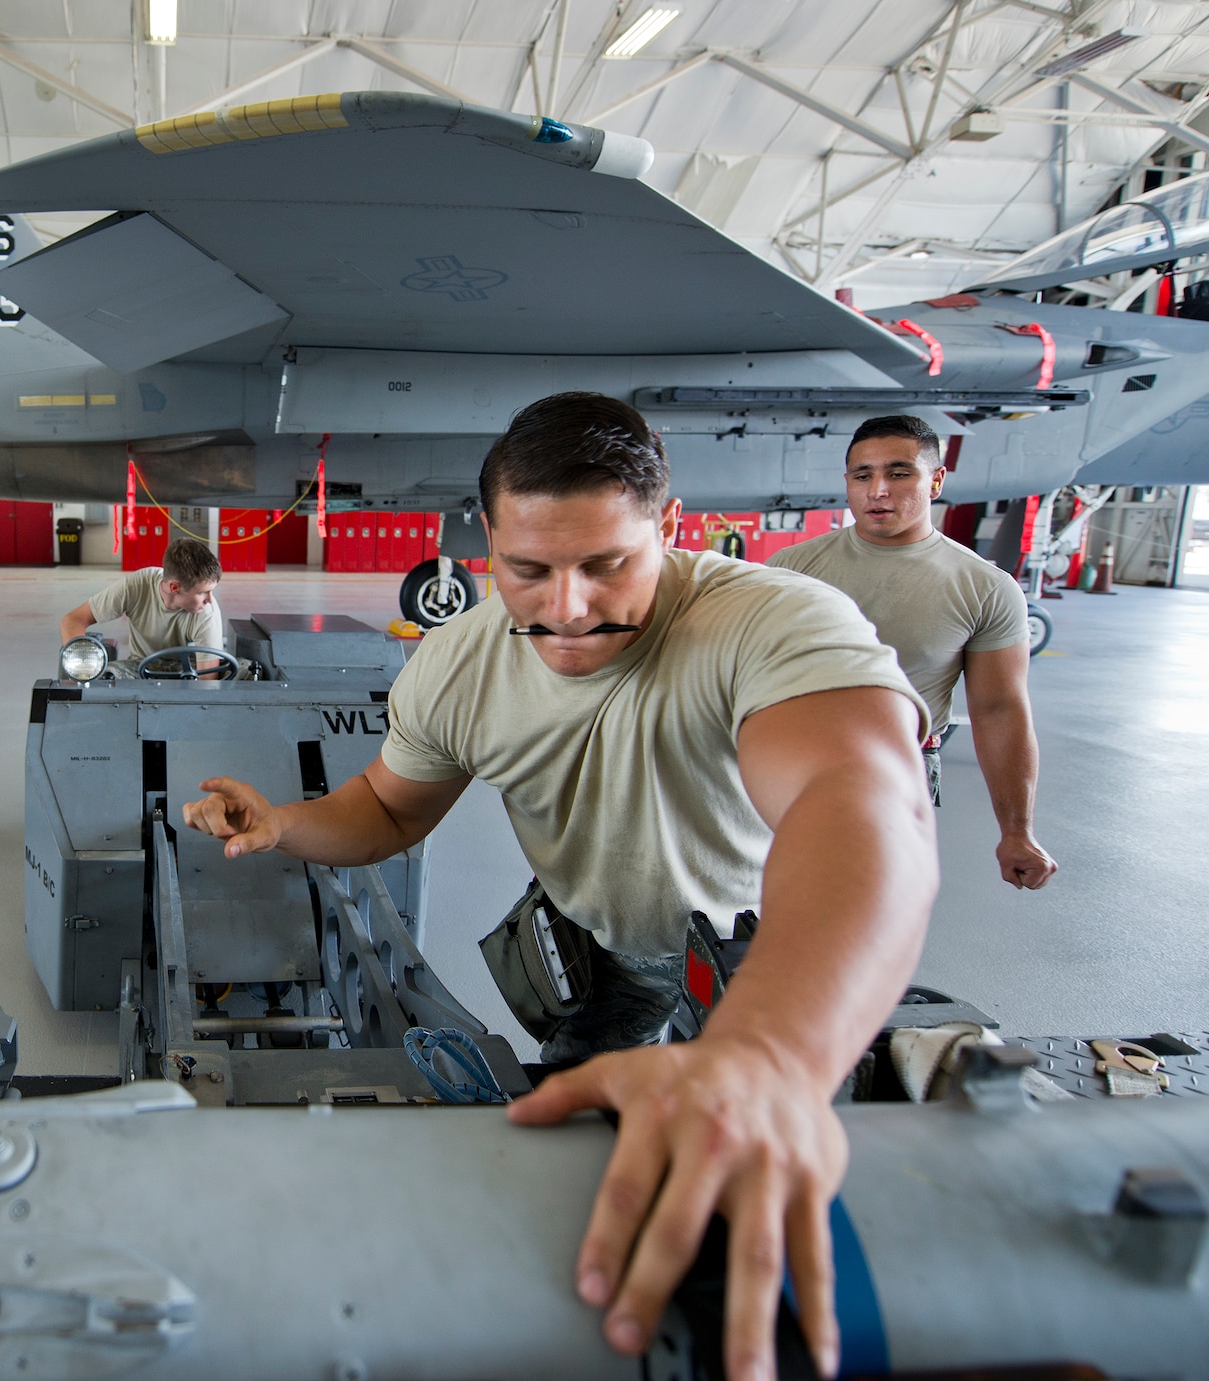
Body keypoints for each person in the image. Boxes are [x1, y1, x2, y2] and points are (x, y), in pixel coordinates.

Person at [182, 393, 936, 1380]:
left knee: (770, 1205)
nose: (567, 608)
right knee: (580, 1172)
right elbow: (389, 809)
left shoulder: (768, 621)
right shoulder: (457, 663)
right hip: (601, 951)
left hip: (763, 964)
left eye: (606, 564)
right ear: (486, 537)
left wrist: (769, 1054)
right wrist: (283, 823)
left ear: (667, 527)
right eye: (528, 571)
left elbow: (864, 803)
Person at [768, 415, 1056, 889]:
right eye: (863, 475)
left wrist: (1017, 831)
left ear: (936, 480)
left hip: (897, 771)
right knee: (761, 918)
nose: (878, 490)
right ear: (848, 483)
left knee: (862, 919)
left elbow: (999, 710)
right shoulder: (789, 569)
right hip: (782, 761)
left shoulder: (986, 588)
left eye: (899, 473)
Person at [59, 537, 223, 671]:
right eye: (202, 592)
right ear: (174, 587)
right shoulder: (136, 586)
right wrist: (82, 666)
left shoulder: (207, 610)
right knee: (106, 677)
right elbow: (73, 620)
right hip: (141, 668)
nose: (209, 599)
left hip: (186, 671)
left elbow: (207, 683)